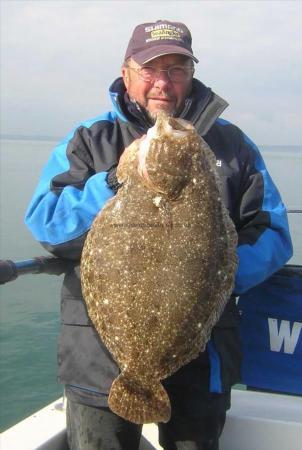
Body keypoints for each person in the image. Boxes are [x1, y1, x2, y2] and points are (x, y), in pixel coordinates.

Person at [25, 20, 293, 450]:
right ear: (126, 72)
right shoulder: (90, 141)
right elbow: (47, 223)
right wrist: (113, 180)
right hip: (98, 359)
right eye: (150, 69)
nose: (163, 83)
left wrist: (209, 276)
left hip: (203, 358)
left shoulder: (233, 145)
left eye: (177, 70)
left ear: (191, 74)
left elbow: (275, 234)